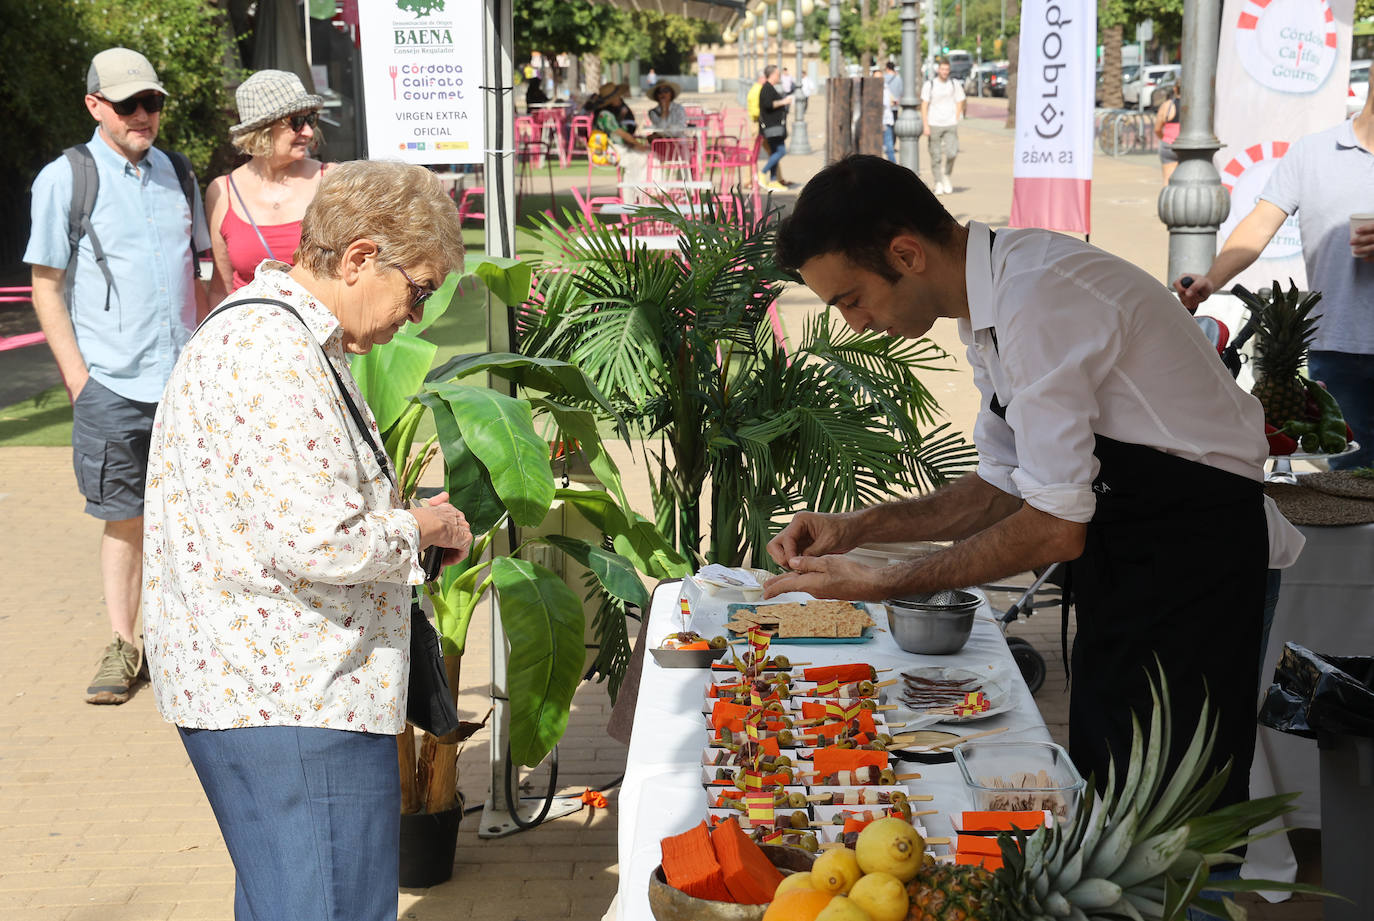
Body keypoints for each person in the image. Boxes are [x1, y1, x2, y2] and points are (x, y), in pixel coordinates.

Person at [766, 155, 1303, 813]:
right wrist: (859, 526)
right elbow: (1002, 486)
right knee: (1113, 789)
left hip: (1199, 565)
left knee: (1179, 823)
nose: (854, 322)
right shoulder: (990, 304)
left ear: (906, 254)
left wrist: (879, 583)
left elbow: (1053, 524)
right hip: (1132, 555)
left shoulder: (1038, 298)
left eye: (851, 298)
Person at [142, 160, 472, 921]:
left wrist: (406, 523)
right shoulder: (272, 349)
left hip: (279, 691)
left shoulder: (283, 333)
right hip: (289, 697)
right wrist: (419, 526)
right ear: (359, 257)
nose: (417, 314)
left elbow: (297, 509)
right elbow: (319, 538)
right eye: (418, 289)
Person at [24, 47, 210, 705]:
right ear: (95, 105)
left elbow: (203, 276)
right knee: (123, 516)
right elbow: (45, 284)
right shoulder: (66, 178)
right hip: (111, 384)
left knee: (190, 515)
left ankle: (181, 640)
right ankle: (123, 642)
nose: (143, 116)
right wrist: (79, 378)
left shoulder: (178, 175)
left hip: (183, 382)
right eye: (128, 104)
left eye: (152, 102)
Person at [1175, 91, 1374, 469]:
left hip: (1338, 350)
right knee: (1349, 488)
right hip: (1337, 348)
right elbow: (1261, 224)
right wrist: (1211, 280)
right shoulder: (1313, 152)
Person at [206, 70, 327, 305]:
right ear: (262, 130)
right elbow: (221, 288)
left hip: (319, 336)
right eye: (297, 122)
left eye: (310, 119)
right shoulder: (223, 192)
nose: (309, 132)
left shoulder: (329, 181)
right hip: (250, 338)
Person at [586, 81, 649, 183]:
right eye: (617, 96)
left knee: (646, 156)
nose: (620, 98)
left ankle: (641, 191)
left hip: (617, 149)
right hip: (606, 153)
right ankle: (633, 192)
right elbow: (621, 134)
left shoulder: (614, 113)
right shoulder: (605, 115)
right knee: (638, 159)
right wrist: (638, 145)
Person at [920, 57, 965, 194]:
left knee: (952, 152)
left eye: (947, 69)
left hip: (950, 122)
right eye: (942, 69)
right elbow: (924, 105)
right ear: (938, 70)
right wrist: (925, 124)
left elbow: (960, 100)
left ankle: (946, 175)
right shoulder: (930, 85)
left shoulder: (954, 84)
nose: (945, 72)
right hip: (934, 123)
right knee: (936, 155)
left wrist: (956, 116)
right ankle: (938, 181)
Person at [757, 65, 794, 191]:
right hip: (772, 128)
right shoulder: (767, 88)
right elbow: (767, 105)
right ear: (772, 75)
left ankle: (773, 181)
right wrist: (784, 102)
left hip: (775, 127)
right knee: (781, 151)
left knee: (775, 152)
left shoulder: (770, 88)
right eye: (778, 74)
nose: (779, 76)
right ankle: (762, 173)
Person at [1154, 83, 1181, 184]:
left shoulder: (1167, 105)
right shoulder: (1193, 107)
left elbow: (1157, 129)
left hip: (1168, 144)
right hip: (1187, 146)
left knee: (1167, 180)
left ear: (1175, 89)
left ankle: (1167, 199)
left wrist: (1164, 138)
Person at [883, 62, 903, 163]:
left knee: (889, 130)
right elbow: (901, 92)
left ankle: (887, 145)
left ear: (887, 68)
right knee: (893, 127)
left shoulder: (883, 78)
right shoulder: (898, 79)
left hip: (886, 109)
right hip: (895, 106)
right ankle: (892, 144)